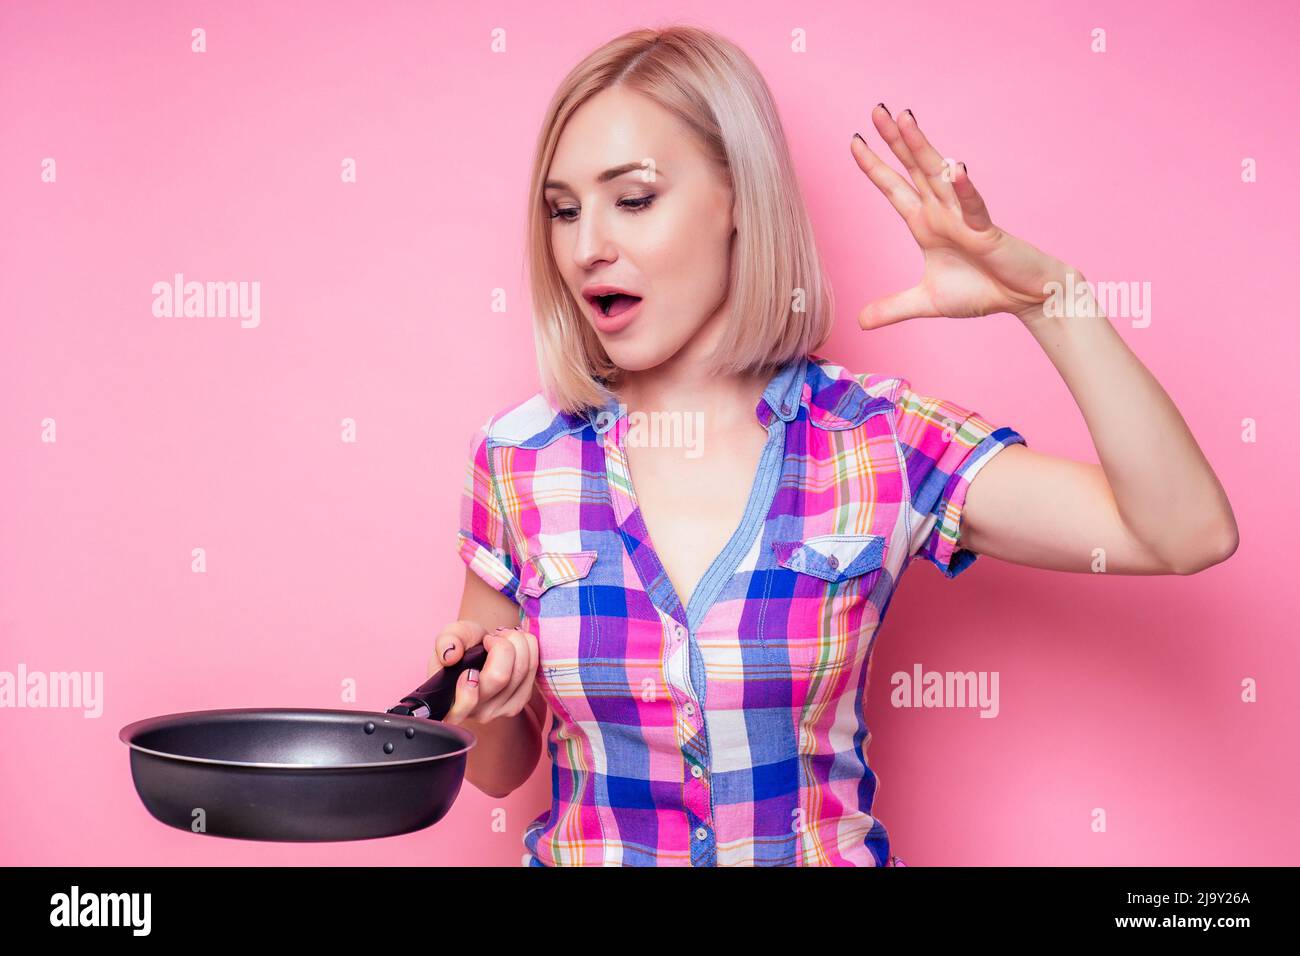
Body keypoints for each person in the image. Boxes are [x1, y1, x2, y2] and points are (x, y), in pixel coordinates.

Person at [428, 25, 1238, 867]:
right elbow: (497, 768)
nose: (587, 245)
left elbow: (1183, 534)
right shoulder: (519, 456)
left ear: (740, 197)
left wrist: (1052, 301)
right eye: (563, 210)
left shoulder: (876, 439)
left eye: (632, 199)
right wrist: (485, 707)